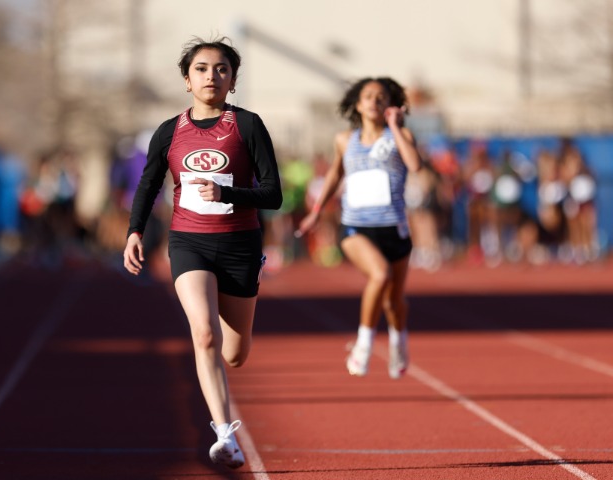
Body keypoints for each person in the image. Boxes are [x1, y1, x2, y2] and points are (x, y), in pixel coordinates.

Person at [123, 37, 282, 469]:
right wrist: (135, 231)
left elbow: (274, 194)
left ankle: (230, 368)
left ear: (233, 79)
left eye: (221, 69)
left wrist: (227, 192)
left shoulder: (248, 125)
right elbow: (148, 184)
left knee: (235, 354)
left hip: (240, 245)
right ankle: (224, 434)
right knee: (205, 334)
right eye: (201, 68)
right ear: (186, 80)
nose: (212, 75)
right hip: (188, 242)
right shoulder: (169, 131)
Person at [296, 77, 421, 378]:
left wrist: (395, 127)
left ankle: (399, 342)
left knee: (394, 302)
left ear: (390, 104)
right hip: (356, 227)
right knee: (380, 274)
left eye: (381, 97)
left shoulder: (401, 135)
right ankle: (364, 345)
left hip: (394, 228)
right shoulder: (344, 139)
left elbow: (415, 166)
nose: (374, 102)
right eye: (368, 96)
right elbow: (335, 174)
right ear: (358, 104)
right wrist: (316, 212)